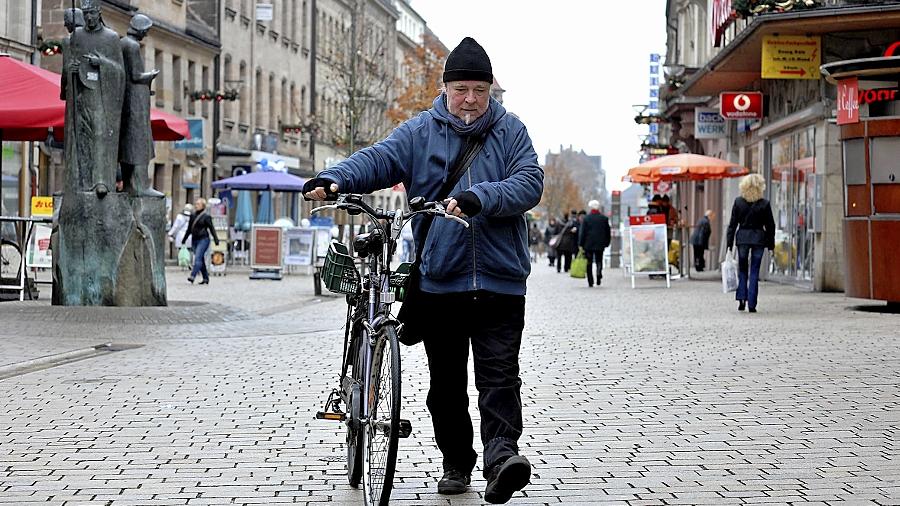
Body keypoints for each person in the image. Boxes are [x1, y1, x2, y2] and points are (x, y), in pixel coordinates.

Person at [303, 37, 542, 504]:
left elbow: (529, 182)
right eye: (461, 89)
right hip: (442, 280)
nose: (470, 98)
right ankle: (457, 462)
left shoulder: (512, 132)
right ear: (445, 88)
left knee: (499, 377)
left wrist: (481, 198)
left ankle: (501, 458)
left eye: (479, 89)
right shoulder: (420, 132)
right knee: (446, 384)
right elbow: (378, 159)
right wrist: (335, 177)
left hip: (501, 281)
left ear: (491, 90)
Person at [726, 174, 775, 313]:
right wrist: (771, 245)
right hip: (759, 239)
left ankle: (742, 298)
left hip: (742, 239)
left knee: (742, 269)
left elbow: (732, 225)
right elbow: (770, 226)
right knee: (754, 271)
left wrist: (729, 244)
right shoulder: (764, 204)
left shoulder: (738, 202)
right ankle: (752, 303)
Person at [182, 198, 220, 285]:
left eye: (198, 204)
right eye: (196, 204)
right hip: (194, 239)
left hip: (204, 239)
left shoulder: (206, 217)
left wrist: (216, 239)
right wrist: (184, 239)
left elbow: (211, 228)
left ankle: (193, 275)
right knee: (201, 259)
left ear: (203, 206)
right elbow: (189, 229)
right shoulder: (192, 216)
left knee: (198, 258)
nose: (196, 205)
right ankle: (205, 278)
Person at [578, 200, 611, 287]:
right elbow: (608, 232)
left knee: (589, 262)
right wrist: (607, 243)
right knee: (599, 260)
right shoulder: (604, 219)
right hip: (600, 244)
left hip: (588, 244)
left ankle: (590, 281)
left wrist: (580, 244)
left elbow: (583, 232)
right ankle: (599, 273)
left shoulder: (586, 219)